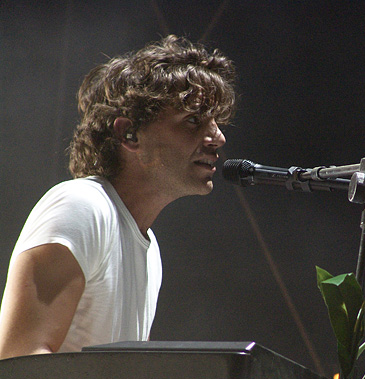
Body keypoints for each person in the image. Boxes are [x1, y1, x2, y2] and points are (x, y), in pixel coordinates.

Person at [0, 35, 236, 359]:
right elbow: (19, 359)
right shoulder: (82, 207)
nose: (217, 138)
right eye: (193, 120)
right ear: (130, 133)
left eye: (216, 122)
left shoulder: (149, 249)